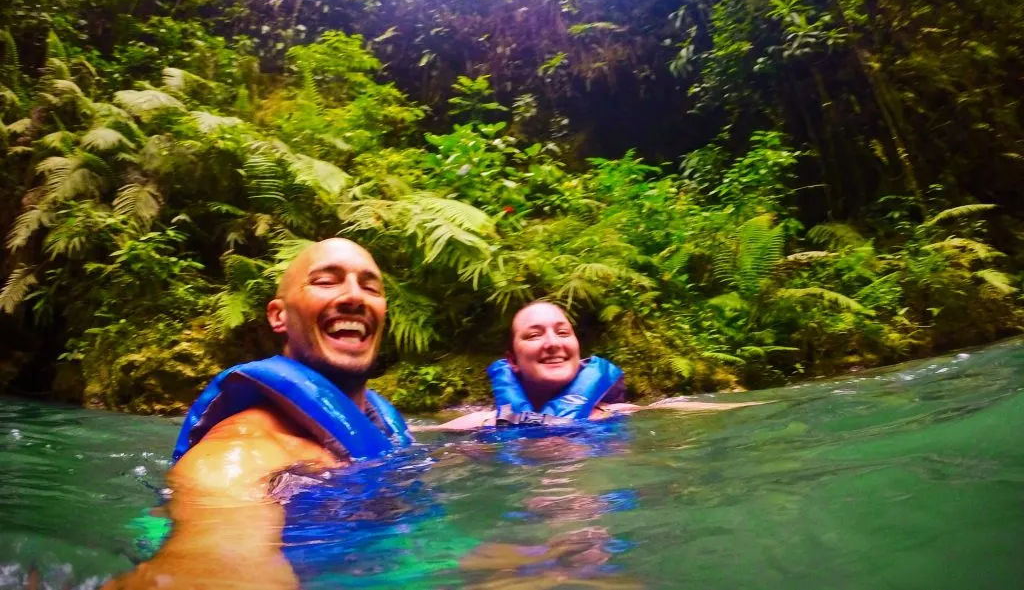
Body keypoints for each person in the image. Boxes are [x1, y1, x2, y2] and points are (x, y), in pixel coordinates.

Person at [105, 237, 411, 589]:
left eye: (370, 287)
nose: (355, 297)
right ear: (278, 316)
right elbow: (215, 559)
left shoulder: (382, 425)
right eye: (326, 281)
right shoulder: (242, 451)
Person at [431, 301, 760, 430]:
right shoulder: (481, 424)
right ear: (512, 362)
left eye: (563, 332)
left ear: (577, 348)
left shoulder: (621, 413)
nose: (553, 343)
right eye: (533, 335)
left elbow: (683, 409)